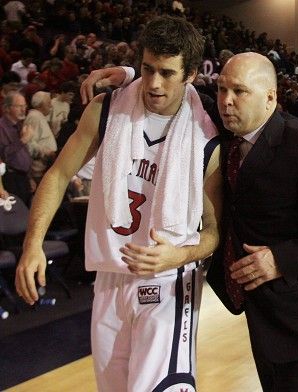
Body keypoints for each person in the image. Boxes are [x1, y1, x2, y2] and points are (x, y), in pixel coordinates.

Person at [81, 53, 298, 391]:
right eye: (221, 90)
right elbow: (181, 87)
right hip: (261, 303)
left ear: (270, 97)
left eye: (239, 91)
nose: (226, 101)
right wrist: (131, 74)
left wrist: (280, 259)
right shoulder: (229, 122)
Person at [15, 15, 221, 392]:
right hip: (110, 276)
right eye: (146, 69)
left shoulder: (207, 136)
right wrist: (32, 246)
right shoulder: (106, 110)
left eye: (167, 73)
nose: (154, 83)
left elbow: (213, 231)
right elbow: (58, 175)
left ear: (190, 74)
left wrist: (178, 256)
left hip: (168, 280)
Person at [0, 91, 34, 205]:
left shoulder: (20, 126)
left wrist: (29, 177)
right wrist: (23, 140)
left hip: (23, 178)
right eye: (19, 106)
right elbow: (3, 154)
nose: (23, 109)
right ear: (7, 108)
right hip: (10, 179)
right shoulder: (1, 128)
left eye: (24, 106)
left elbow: (24, 154)